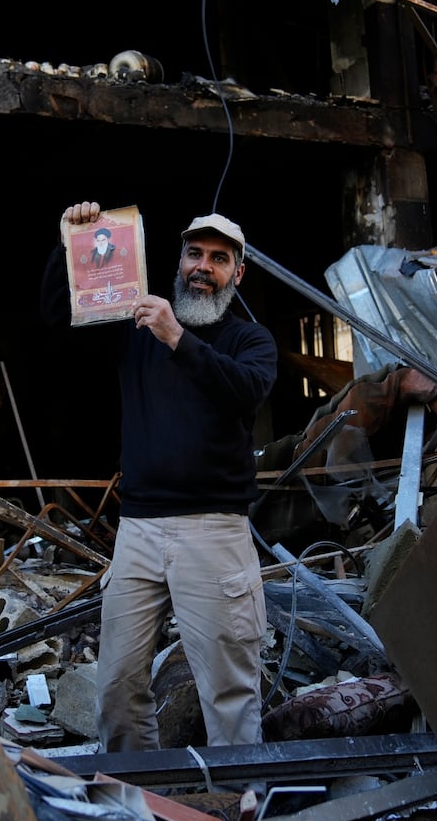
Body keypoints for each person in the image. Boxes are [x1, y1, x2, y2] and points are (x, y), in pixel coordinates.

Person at [41, 201, 278, 752]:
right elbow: (59, 316)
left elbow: (243, 391)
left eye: (219, 259)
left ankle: (237, 813)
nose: (203, 266)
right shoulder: (136, 324)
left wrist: (178, 338)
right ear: (178, 260)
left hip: (213, 534)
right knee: (118, 687)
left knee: (228, 693)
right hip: (139, 532)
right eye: (195, 253)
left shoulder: (250, 341)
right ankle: (137, 809)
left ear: (237, 274)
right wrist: (67, 244)